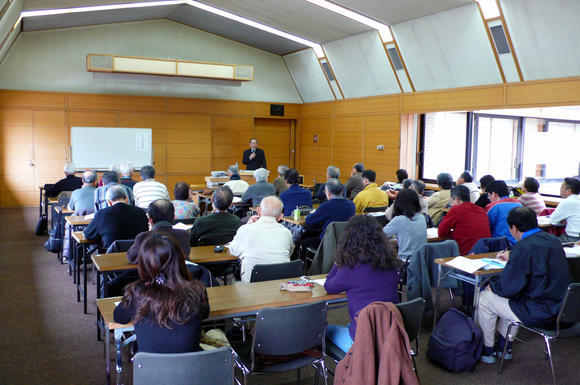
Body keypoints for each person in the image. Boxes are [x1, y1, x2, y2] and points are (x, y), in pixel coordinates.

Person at [478, 207, 572, 363]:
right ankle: (504, 346)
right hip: (562, 309)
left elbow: (508, 288)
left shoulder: (523, 247)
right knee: (515, 297)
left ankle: (487, 350)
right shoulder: (554, 241)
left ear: (514, 228)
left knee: (485, 298)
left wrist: (492, 285)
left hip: (539, 312)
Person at [113, 232, 210, 353]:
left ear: (144, 263)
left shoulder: (137, 293)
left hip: (150, 370)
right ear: (180, 260)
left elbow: (118, 317)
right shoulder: (197, 290)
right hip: (193, 368)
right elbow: (205, 314)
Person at [324, 215, 400, 353]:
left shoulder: (350, 267)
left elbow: (328, 286)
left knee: (324, 331)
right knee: (351, 323)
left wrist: (338, 261)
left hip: (362, 343)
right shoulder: (391, 263)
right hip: (391, 334)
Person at [228, 196, 294, 283]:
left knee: (232, 281)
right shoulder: (286, 232)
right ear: (280, 217)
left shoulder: (246, 229)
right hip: (281, 284)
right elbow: (289, 253)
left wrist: (247, 225)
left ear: (258, 211)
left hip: (252, 286)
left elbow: (233, 251)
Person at [83, 185, 148, 249]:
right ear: (127, 199)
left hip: (111, 256)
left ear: (109, 202)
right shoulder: (140, 212)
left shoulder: (101, 214)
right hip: (138, 255)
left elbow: (88, 235)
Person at [127, 199, 191, 263]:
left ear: (150, 220)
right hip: (177, 273)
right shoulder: (184, 235)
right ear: (173, 217)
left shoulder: (143, 237)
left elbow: (131, 258)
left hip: (152, 273)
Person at [438, 185, 491, 255]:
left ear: (457, 200)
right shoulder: (481, 210)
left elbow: (441, 232)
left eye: (451, 201)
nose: (451, 204)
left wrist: (454, 234)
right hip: (485, 252)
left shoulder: (456, 209)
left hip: (466, 254)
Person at [383, 189, 427, 261]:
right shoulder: (421, 217)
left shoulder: (399, 220)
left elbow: (381, 235)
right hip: (421, 261)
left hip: (405, 262)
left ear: (398, 203)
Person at [550, 177, 580, 243]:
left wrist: (563, 222)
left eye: (562, 186)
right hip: (576, 238)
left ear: (568, 191)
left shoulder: (567, 202)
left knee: (546, 242)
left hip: (573, 239)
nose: (560, 189)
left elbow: (553, 221)